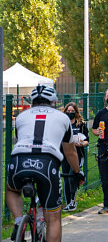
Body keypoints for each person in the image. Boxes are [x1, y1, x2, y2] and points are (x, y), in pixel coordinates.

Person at [7, 85, 84, 242]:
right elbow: (70, 152)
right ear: (54, 101)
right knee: (54, 218)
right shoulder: (63, 118)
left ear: (32, 101)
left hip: (19, 160)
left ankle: (17, 221)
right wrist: (77, 172)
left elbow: (19, 138)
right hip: (47, 164)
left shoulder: (21, 117)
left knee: (12, 189)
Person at [62, 102, 89, 212]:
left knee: (73, 177)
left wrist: (81, 143)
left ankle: (73, 201)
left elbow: (87, 140)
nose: (70, 113)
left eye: (72, 111)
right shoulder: (62, 124)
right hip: (64, 154)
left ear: (76, 112)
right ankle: (68, 202)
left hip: (77, 154)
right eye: (68, 111)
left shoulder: (81, 124)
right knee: (66, 178)